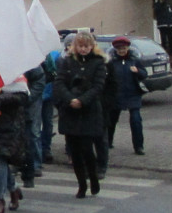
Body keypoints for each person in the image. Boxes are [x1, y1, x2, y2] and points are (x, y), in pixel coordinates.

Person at [54, 31, 107, 198]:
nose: (83, 49)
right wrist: (70, 99)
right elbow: (60, 82)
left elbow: (98, 86)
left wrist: (82, 100)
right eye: (80, 46)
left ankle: (93, 177)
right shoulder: (67, 62)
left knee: (87, 149)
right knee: (74, 151)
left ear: (92, 47)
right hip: (70, 111)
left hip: (89, 111)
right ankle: (81, 184)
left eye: (86, 46)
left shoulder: (98, 63)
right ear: (75, 47)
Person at [0, 78, 29, 213]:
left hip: (10, 125)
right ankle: (14, 189)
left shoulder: (16, 74)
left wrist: (2, 99)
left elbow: (22, 96)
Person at [107, 36, 147, 156]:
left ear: (128, 48)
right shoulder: (111, 62)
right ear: (115, 50)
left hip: (132, 94)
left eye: (124, 48)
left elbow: (144, 74)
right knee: (111, 120)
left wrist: (138, 71)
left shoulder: (135, 60)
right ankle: (108, 141)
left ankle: (139, 146)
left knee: (136, 120)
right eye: (119, 49)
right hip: (116, 95)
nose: (122, 51)